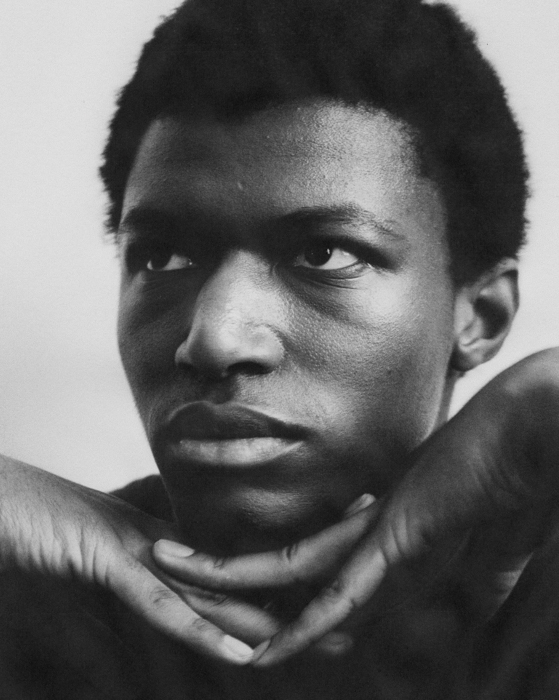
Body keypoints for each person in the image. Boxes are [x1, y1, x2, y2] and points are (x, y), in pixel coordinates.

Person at [1, 0, 558, 697]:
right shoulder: (30, 605)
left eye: (323, 254)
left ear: (480, 316)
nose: (213, 337)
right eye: (164, 256)